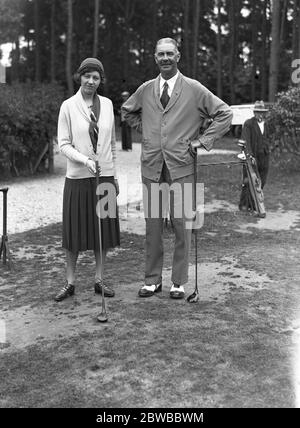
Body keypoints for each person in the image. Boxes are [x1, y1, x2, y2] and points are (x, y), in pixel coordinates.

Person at [122, 38, 232, 299]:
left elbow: (224, 113)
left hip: (182, 166)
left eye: (170, 53)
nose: (165, 58)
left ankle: (179, 281)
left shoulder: (193, 89)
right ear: (154, 57)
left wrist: (202, 141)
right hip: (152, 166)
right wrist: (147, 133)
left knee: (182, 224)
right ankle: (152, 280)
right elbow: (127, 112)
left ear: (178, 56)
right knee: (153, 225)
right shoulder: (146, 89)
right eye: (161, 54)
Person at [54, 57, 120, 302]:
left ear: (100, 80)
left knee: (102, 231)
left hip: (105, 177)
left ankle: (99, 279)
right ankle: (70, 282)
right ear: (79, 77)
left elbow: (111, 143)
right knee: (74, 232)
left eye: (96, 77)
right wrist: (85, 160)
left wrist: (114, 177)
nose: (91, 81)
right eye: (87, 76)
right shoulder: (68, 106)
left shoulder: (109, 104)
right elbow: (63, 144)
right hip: (78, 178)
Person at [239, 100, 270, 213]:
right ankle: (244, 205)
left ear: (264, 113)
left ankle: (254, 203)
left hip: (264, 157)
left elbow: (268, 138)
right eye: (258, 112)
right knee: (248, 181)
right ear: (254, 112)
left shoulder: (266, 124)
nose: (260, 114)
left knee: (262, 181)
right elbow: (245, 140)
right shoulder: (248, 124)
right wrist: (249, 155)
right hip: (252, 157)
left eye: (262, 112)